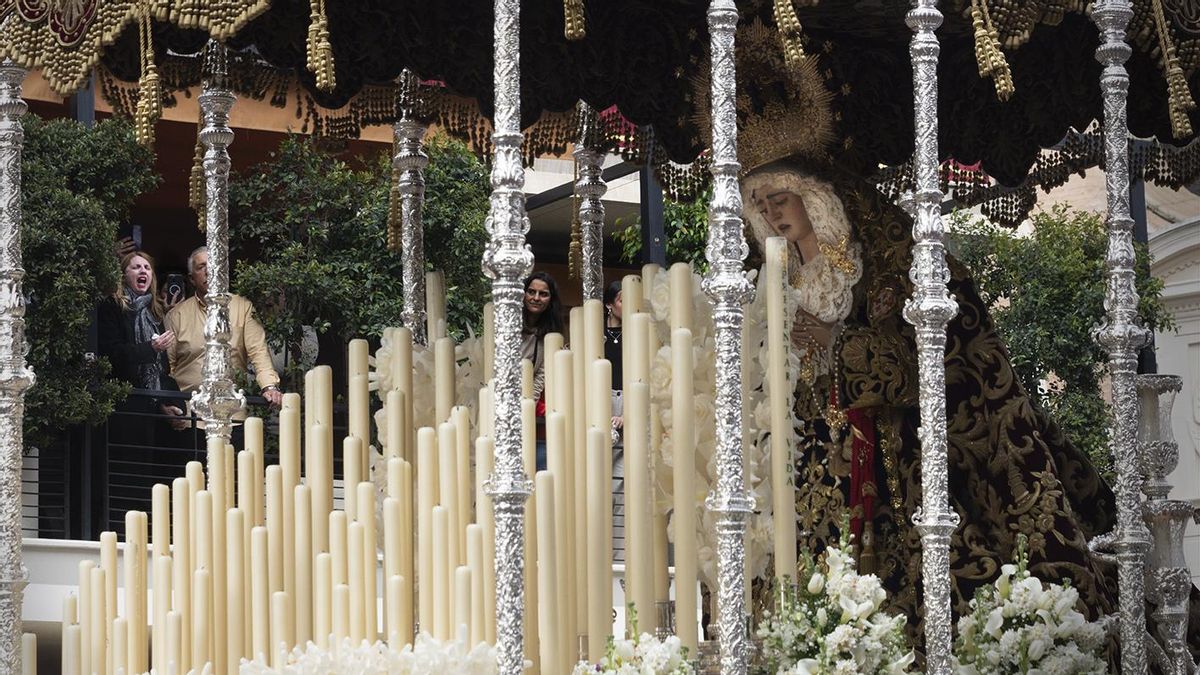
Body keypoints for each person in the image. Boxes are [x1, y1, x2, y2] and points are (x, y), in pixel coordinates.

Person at [166, 246, 283, 410]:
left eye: (213, 264)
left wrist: (269, 386)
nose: (208, 271)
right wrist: (170, 404)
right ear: (192, 279)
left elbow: (258, 351)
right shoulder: (176, 315)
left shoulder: (243, 307)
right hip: (189, 414)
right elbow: (168, 368)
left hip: (231, 413)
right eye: (201, 267)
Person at [97, 251, 187, 434]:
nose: (142, 271)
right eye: (136, 267)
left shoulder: (155, 312)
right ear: (124, 275)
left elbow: (162, 370)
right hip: (123, 406)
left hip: (151, 409)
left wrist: (167, 405)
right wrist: (150, 348)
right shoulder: (112, 306)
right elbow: (111, 353)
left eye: (147, 267)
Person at [520, 271, 565, 404]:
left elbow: (540, 376)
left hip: (526, 401)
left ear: (551, 300)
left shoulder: (551, 335)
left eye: (543, 294)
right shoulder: (508, 325)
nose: (536, 298)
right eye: (531, 292)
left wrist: (528, 405)